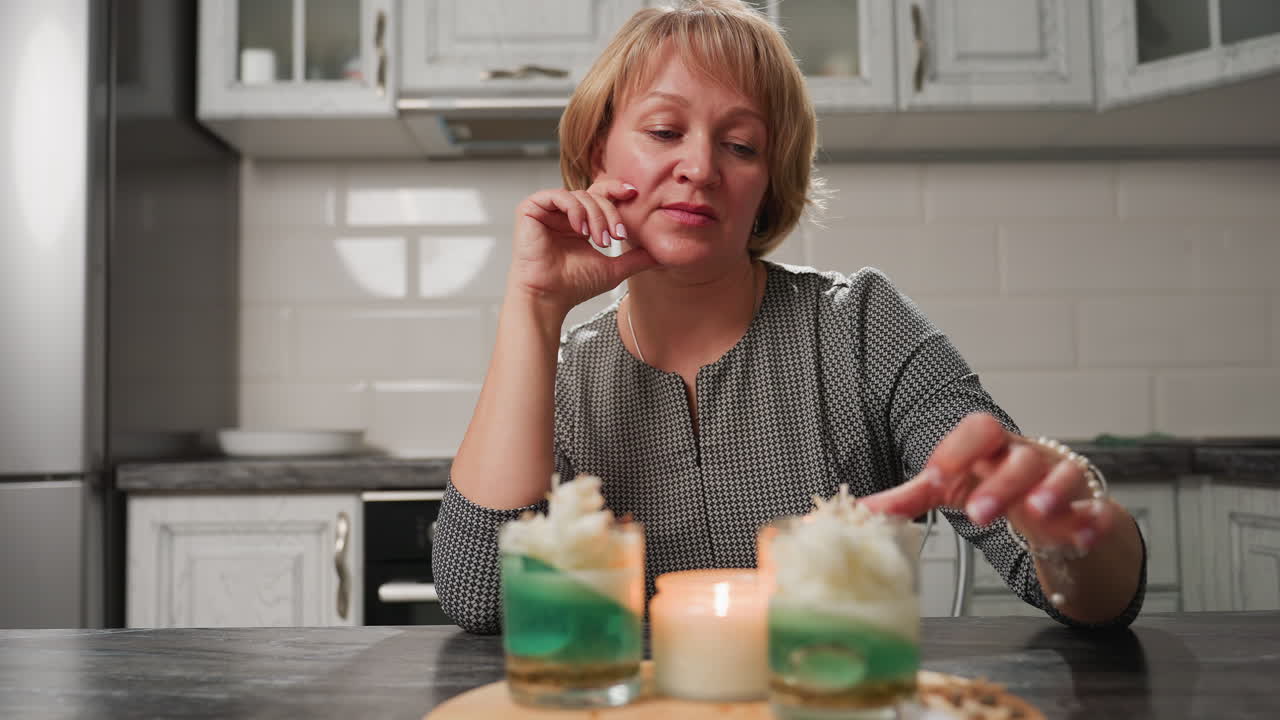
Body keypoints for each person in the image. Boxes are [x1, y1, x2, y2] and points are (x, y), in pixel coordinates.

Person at [433, 0, 1146, 634]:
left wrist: (1072, 532)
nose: (701, 167)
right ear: (598, 153)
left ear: (768, 185)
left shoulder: (862, 326)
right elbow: (478, 599)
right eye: (663, 130)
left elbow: (1082, 594)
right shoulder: (559, 374)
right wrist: (535, 308)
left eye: (740, 145)